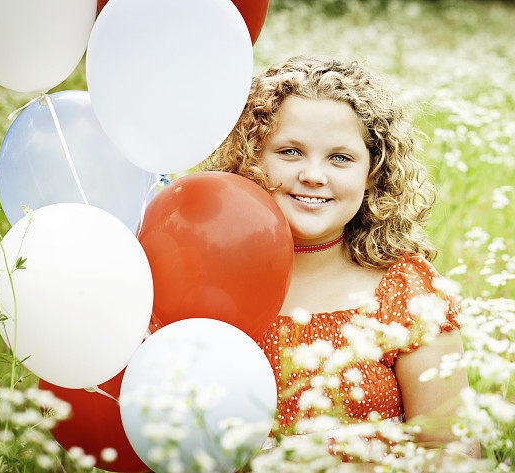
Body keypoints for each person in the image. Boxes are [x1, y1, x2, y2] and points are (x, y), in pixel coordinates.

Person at [199, 56, 479, 461]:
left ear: (372, 173)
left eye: (340, 158)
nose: (314, 175)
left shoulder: (405, 290)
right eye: (290, 151)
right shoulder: (208, 278)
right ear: (251, 158)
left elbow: (452, 452)